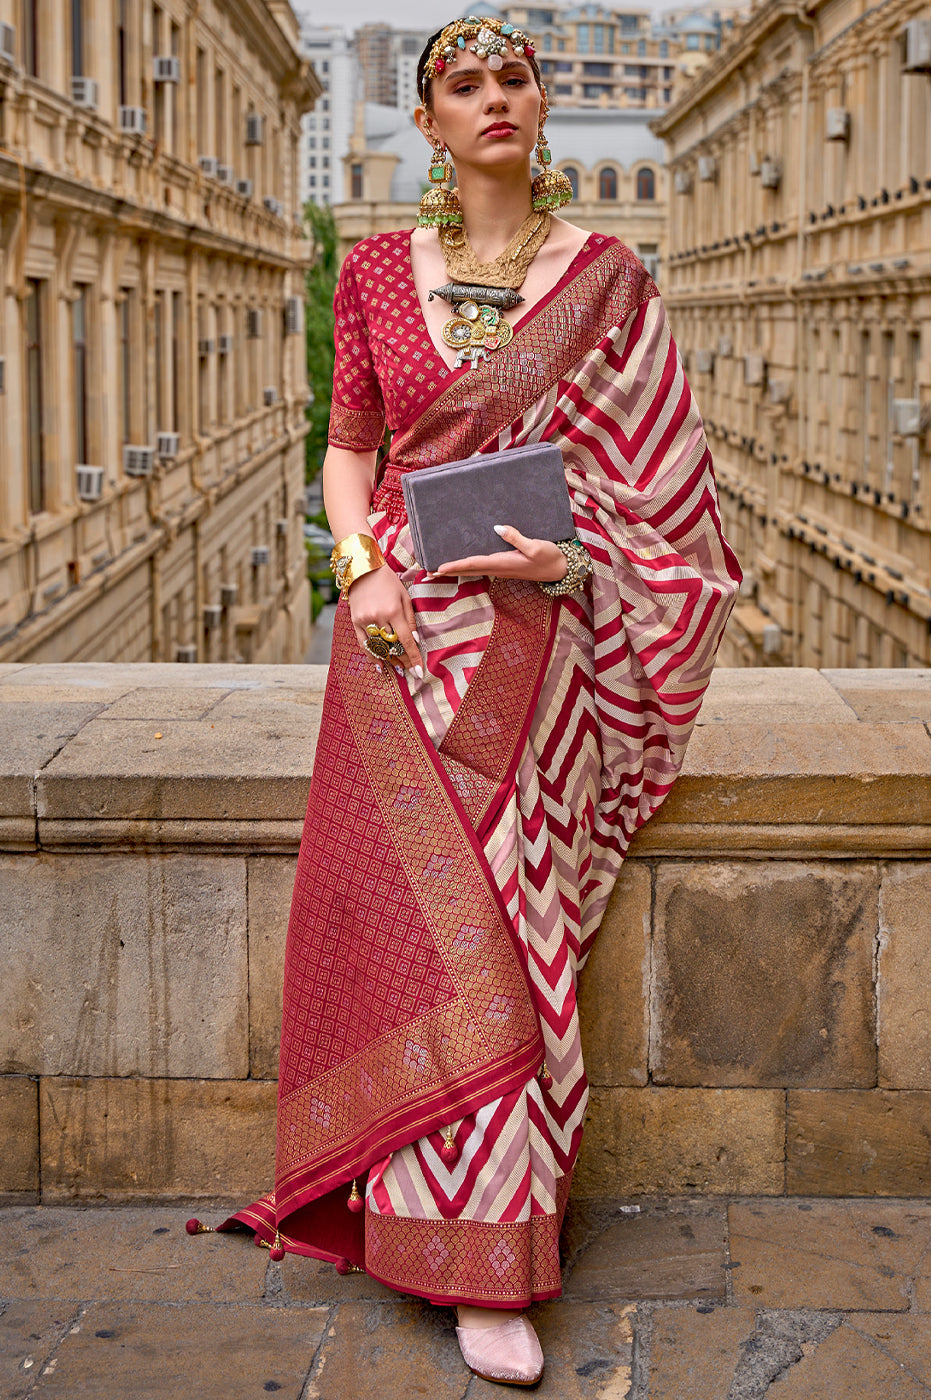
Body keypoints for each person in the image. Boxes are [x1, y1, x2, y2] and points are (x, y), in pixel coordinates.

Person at [197, 15, 741, 1388]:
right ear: (428, 123)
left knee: (516, 933)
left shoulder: (610, 279)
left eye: (515, 77)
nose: (495, 98)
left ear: (544, 106)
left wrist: (576, 561)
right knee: (414, 939)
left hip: (536, 656)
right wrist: (364, 572)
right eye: (462, 85)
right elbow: (349, 447)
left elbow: (667, 485)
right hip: (395, 655)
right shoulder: (379, 270)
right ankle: (418, 1229)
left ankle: (498, 1249)